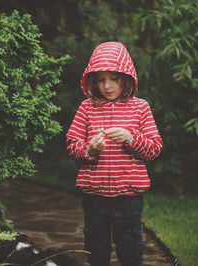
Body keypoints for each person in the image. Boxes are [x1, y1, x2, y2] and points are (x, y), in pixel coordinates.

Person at [66, 41, 163, 266]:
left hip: (128, 196)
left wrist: (130, 138)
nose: (106, 85)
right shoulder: (86, 108)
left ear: (126, 77)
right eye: (100, 79)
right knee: (95, 247)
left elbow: (154, 148)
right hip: (94, 195)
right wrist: (90, 149)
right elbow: (72, 144)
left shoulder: (140, 108)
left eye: (113, 78)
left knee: (130, 247)